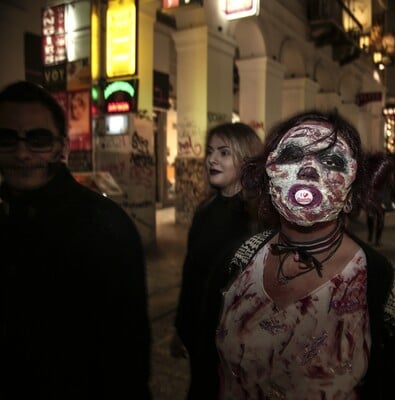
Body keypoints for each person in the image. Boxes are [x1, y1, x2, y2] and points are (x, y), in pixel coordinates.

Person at [194, 110, 395, 399]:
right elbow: (205, 373)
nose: (308, 168)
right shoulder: (234, 264)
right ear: (269, 177)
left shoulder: (390, 297)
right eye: (292, 154)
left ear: (351, 192)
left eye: (331, 161)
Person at [0, 81, 151, 398]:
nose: (22, 153)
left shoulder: (104, 227)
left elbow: (128, 353)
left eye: (38, 140)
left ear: (61, 147)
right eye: (7, 138)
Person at [170, 122, 263, 399]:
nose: (212, 159)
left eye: (224, 152)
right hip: (201, 338)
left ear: (246, 160)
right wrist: (180, 327)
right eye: (210, 152)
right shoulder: (204, 211)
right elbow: (191, 274)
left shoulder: (258, 221)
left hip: (239, 346)